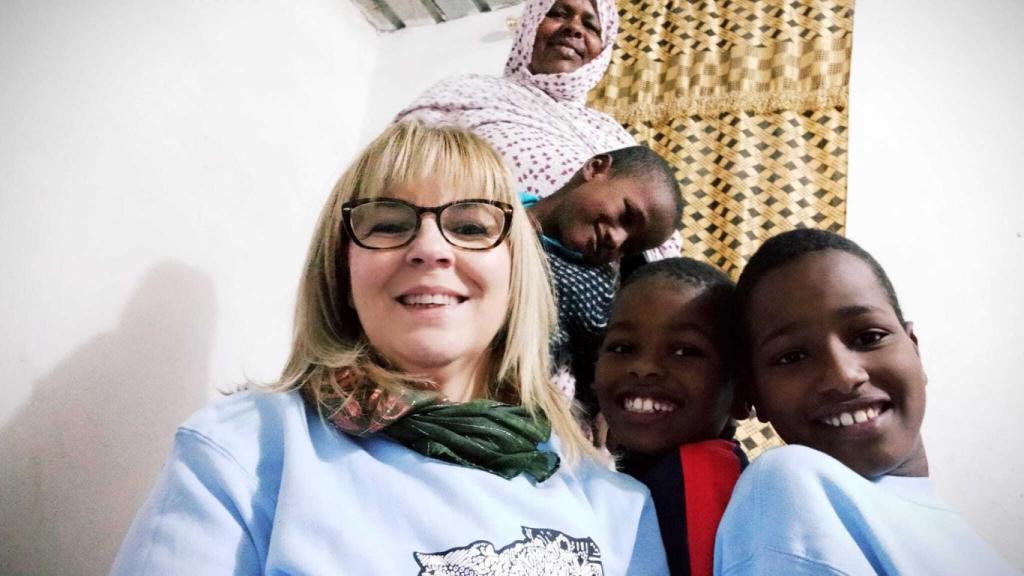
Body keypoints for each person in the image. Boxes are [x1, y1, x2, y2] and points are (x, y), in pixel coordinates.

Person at [110, 123, 669, 575]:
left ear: (517, 272)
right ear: (342, 268)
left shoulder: (615, 507)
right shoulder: (244, 453)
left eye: (471, 227)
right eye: (387, 224)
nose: (430, 249)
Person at [715, 228, 1018, 575]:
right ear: (754, 395)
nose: (843, 376)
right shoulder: (790, 485)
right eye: (793, 356)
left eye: (869, 337)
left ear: (915, 348)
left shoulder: (964, 540)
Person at [396, 0, 683, 262]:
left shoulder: (613, 137)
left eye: (591, 26)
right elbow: (393, 169)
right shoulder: (466, 93)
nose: (573, 29)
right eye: (558, 14)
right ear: (531, 24)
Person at [595, 258, 746, 576]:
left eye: (684, 351)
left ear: (741, 391)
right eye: (622, 348)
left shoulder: (701, 471)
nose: (644, 367)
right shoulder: (635, 473)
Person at [523, 145, 682, 405]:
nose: (617, 240)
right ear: (595, 169)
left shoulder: (591, 290)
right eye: (627, 215)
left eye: (630, 248)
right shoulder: (491, 200)